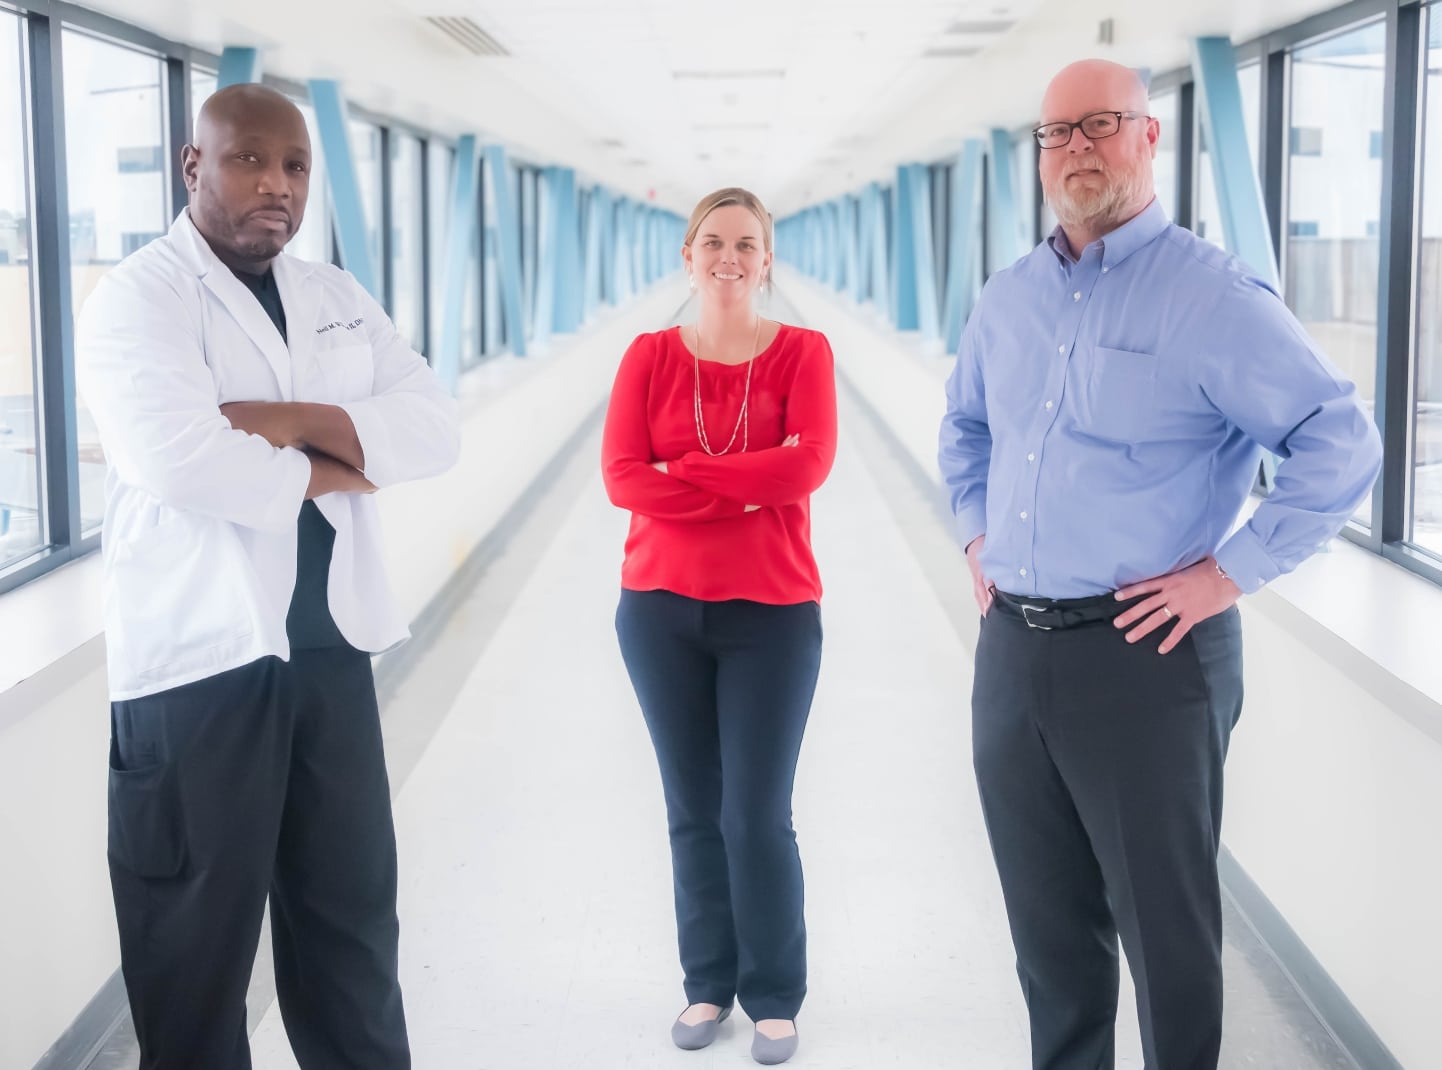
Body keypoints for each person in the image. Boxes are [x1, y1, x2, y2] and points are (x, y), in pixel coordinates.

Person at [937, 59, 1382, 1070]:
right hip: (1009, 652)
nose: (1075, 148)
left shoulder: (1211, 295)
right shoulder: (1007, 298)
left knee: (1165, 939)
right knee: (1048, 936)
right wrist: (974, 535)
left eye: (1099, 125)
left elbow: (1338, 439)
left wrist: (1227, 572)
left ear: (1148, 138)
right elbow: (963, 429)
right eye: (1055, 133)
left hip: (1146, 655)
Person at [75, 83, 460, 1069]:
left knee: (353, 926)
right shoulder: (138, 296)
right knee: (194, 950)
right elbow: (179, 457)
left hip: (327, 654)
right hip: (198, 667)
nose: (276, 186)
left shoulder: (334, 295)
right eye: (249, 159)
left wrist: (277, 420)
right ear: (192, 165)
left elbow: (432, 427)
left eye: (294, 166)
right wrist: (341, 456)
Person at [601, 187, 837, 1066]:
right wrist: (744, 479)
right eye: (712, 243)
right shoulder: (649, 356)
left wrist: (690, 472)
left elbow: (807, 465)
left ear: (767, 259)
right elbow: (624, 476)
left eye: (745, 244)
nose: (728, 257)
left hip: (773, 614)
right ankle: (707, 984)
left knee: (756, 814)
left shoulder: (804, 353)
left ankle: (775, 994)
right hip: (658, 612)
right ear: (687, 256)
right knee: (693, 809)